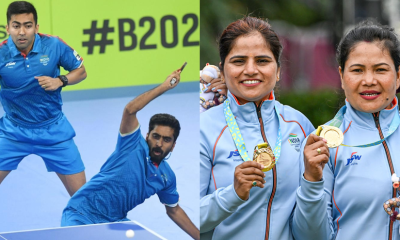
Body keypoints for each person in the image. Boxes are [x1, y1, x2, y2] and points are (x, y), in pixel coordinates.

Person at [200, 16, 314, 240]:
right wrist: (232, 194)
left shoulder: (299, 125)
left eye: (262, 61)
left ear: (278, 70)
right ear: (223, 71)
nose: (251, 70)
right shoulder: (202, 129)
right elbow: (182, 217)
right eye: (239, 61)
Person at [61, 68, 200, 240]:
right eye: (155, 136)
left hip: (115, 223)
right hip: (81, 214)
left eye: (166, 140)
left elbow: (174, 210)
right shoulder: (132, 143)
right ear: (147, 136)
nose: (159, 143)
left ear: (173, 146)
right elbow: (129, 110)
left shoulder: (166, 177)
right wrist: (164, 86)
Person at [293, 20, 400, 240]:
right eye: (357, 70)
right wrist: (312, 181)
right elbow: (310, 237)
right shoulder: (321, 143)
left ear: (398, 76)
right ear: (341, 77)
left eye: (380, 70)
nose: (369, 80)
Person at [0, 1, 87, 196]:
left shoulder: (53, 45)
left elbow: (81, 71)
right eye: (16, 26)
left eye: (27, 25)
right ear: (8, 28)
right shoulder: (1, 54)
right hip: (13, 131)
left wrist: (60, 80)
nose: (22, 32)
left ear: (36, 27)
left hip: (53, 130)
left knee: (83, 199)